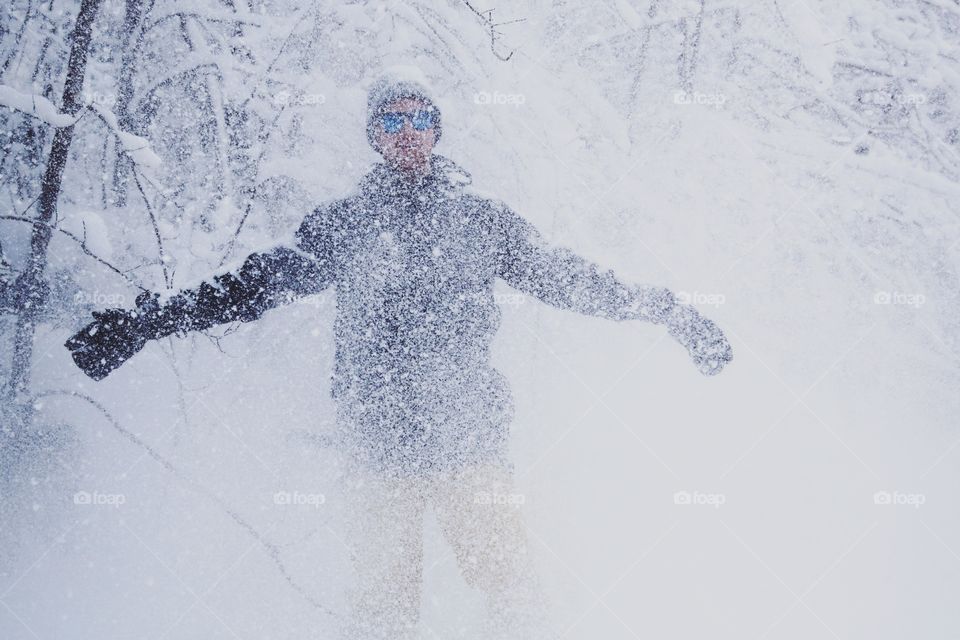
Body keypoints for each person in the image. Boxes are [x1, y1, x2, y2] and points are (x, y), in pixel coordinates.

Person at [65, 68, 733, 639]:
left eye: (420, 117)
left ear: (438, 130)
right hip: (379, 449)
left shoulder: (481, 220)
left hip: (471, 443)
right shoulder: (344, 225)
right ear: (374, 136)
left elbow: (572, 279)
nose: (407, 129)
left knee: (514, 596)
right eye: (391, 119)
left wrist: (668, 310)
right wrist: (144, 321)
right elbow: (252, 287)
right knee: (384, 613)